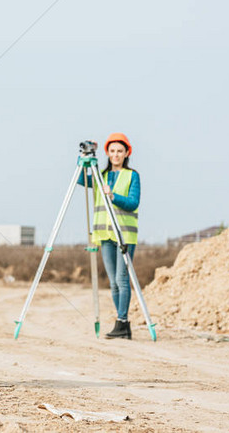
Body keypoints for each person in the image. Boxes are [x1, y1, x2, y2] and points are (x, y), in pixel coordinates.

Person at [78, 133, 140, 339]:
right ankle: (121, 325)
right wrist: (83, 159)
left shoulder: (133, 176)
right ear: (107, 152)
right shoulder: (100, 176)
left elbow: (133, 203)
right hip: (104, 234)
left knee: (122, 279)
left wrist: (113, 196)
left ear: (126, 153)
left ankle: (122, 322)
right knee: (113, 281)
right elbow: (80, 179)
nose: (116, 155)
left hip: (124, 235)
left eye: (119, 151)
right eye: (112, 151)